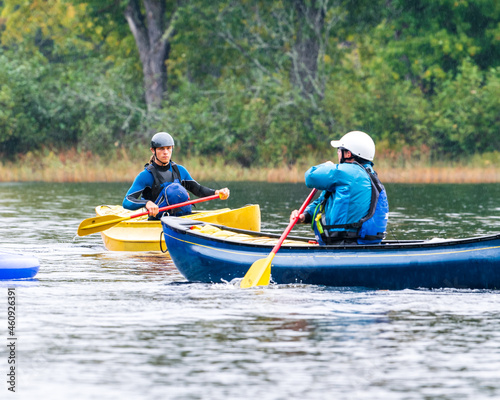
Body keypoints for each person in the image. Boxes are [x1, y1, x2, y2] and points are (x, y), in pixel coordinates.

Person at [290, 131, 389, 245]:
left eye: (339, 150)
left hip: (343, 243)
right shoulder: (368, 174)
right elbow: (324, 201)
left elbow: (310, 177)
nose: (337, 153)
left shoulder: (346, 172)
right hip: (361, 242)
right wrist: (305, 216)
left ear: (348, 154)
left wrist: (326, 166)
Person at [123, 132, 230, 219]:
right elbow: (127, 201)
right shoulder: (146, 176)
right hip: (159, 220)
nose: (166, 152)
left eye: (169, 148)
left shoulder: (180, 170)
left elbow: (198, 190)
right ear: (153, 150)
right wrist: (147, 203)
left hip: (182, 220)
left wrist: (217, 192)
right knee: (173, 190)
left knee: (176, 190)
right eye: (161, 149)